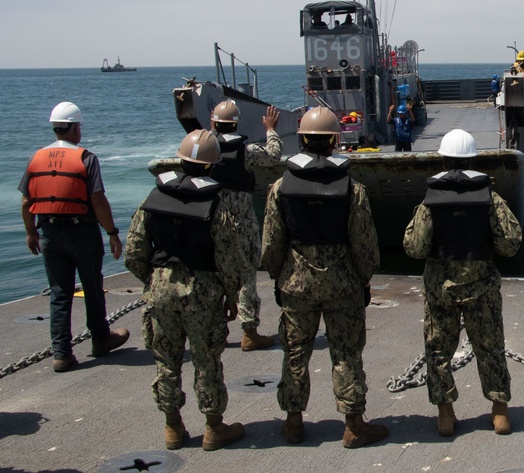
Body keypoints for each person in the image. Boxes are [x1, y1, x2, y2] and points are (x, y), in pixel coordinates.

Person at [259, 107, 387, 448]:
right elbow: (365, 245)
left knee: (295, 352)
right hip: (343, 283)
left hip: (295, 284)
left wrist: (278, 275)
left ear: (301, 140)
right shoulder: (353, 189)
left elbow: (271, 243)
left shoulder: (279, 188)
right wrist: (364, 278)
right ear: (334, 140)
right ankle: (354, 424)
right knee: (346, 352)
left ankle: (293, 423)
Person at [124, 130, 247, 451]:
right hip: (202, 293)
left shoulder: (151, 201)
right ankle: (213, 427)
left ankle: (173, 427)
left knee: (166, 361)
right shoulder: (215, 206)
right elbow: (229, 261)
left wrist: (154, 282)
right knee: (207, 361)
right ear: (211, 166)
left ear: (180, 160)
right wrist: (230, 295)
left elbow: (134, 252)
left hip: (160, 291)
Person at [403, 129, 522, 437]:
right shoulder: (490, 199)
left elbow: (414, 248)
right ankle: (500, 413)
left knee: (439, 350)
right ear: (473, 159)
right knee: (490, 347)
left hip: (440, 290)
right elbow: (511, 244)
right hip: (482, 288)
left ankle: (445, 415)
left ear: (443, 160)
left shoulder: (429, 202)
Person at [18, 101, 130, 373]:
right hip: (82, 232)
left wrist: (31, 233)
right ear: (76, 128)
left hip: (50, 233)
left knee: (59, 293)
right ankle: (101, 339)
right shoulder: (86, 158)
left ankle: (61, 353)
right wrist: (113, 233)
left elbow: (25, 201)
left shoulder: (36, 157)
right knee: (92, 286)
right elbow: (97, 198)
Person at [209, 100, 283, 352]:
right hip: (242, 221)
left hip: (213, 221)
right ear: (236, 123)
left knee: (215, 273)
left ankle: (215, 331)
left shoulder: (207, 147)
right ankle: (249, 332)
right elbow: (273, 156)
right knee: (247, 274)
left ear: (213, 122)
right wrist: (271, 129)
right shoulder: (247, 150)